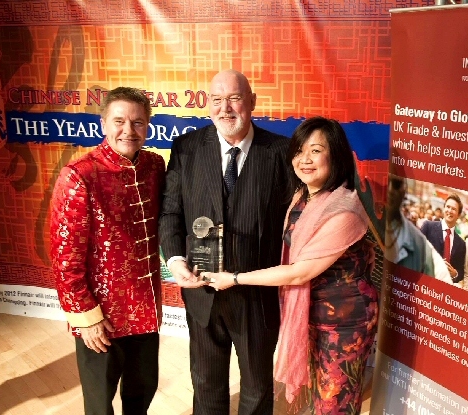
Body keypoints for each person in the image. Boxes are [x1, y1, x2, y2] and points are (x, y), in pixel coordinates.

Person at [205, 117, 378, 415]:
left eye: (316, 150)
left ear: (335, 155)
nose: (304, 159)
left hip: (343, 325)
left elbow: (300, 272)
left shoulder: (344, 210)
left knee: (334, 402)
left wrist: (234, 278)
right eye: (299, 151)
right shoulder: (303, 197)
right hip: (310, 314)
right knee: (313, 397)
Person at [158, 69, 289, 415]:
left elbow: (296, 225)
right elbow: (170, 213)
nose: (225, 108)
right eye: (216, 100)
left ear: (252, 102)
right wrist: (174, 261)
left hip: (256, 295)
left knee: (258, 387)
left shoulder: (281, 152)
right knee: (205, 382)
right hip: (201, 292)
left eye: (234, 98)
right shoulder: (186, 148)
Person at [50, 87, 165, 415]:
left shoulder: (155, 166)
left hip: (144, 311)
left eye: (138, 122)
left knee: (142, 394)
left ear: (148, 126)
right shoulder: (79, 175)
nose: (128, 130)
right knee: (99, 404)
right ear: (103, 123)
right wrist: (85, 318)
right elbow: (64, 255)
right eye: (119, 121)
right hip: (101, 318)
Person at [384, 175, 451, 283]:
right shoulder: (362, 218)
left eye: (396, 185)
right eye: (386, 181)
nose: (390, 190)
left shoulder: (419, 244)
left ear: (403, 190)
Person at [420, 193, 466, 283]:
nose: (450, 210)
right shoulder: (428, 227)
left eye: (453, 209)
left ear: (459, 214)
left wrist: (455, 273)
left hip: (444, 289)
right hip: (424, 281)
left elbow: (461, 271)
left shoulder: (461, 244)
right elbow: (417, 251)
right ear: (444, 208)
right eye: (448, 207)